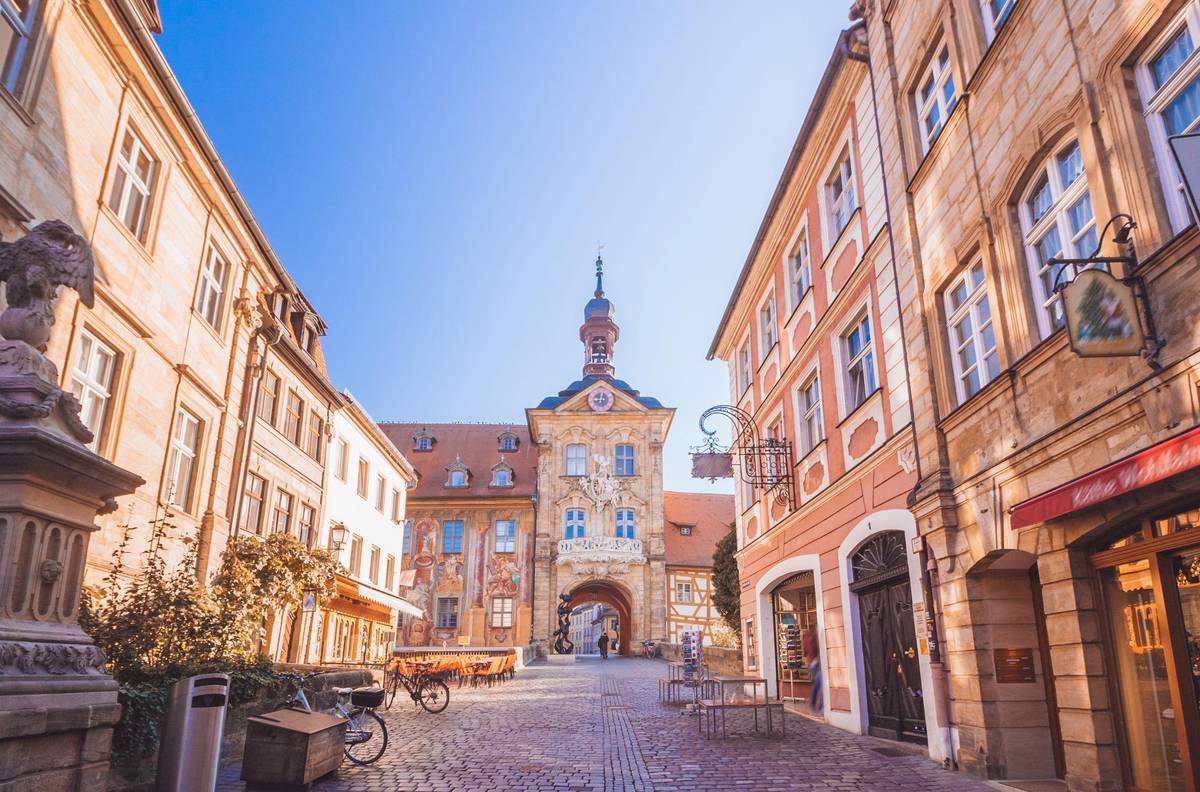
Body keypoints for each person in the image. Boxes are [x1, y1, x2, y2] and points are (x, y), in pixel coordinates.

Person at [803, 626, 822, 714]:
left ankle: (813, 702)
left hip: (811, 662)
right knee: (820, 684)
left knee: (817, 683)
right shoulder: (814, 636)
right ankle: (821, 706)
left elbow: (805, 651)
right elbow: (814, 649)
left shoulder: (807, 635)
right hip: (816, 662)